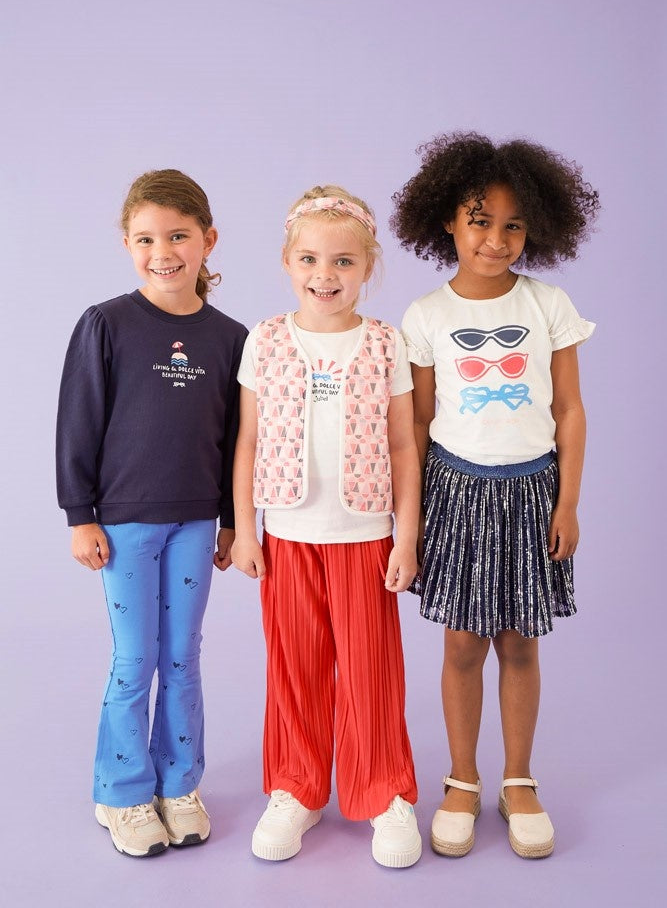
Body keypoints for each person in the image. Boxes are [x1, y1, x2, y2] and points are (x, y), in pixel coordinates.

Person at [392, 132, 599, 859]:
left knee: (518, 641)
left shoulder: (548, 304)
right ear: (447, 221)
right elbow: (418, 424)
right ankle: (461, 780)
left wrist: (567, 503)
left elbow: (569, 409)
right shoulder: (425, 315)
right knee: (461, 642)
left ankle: (517, 779)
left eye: (514, 225)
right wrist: (412, 521)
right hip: (455, 492)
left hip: (532, 491)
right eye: (480, 221)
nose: (497, 239)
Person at [56, 170, 247, 857]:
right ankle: (122, 793)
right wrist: (80, 514)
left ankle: (179, 785)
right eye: (145, 239)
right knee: (135, 659)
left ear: (208, 241)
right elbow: (78, 421)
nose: (161, 252)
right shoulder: (106, 324)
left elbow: (235, 438)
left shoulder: (230, 337)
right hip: (125, 523)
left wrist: (231, 520)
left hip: (196, 523)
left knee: (183, 658)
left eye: (177, 236)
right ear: (127, 244)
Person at [231, 185, 422, 868]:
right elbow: (247, 440)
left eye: (343, 261)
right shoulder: (264, 340)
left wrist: (406, 536)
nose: (325, 275)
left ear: (367, 266)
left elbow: (404, 445)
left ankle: (383, 791)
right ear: (287, 262)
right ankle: (296, 787)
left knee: (371, 672)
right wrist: (245, 529)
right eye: (309, 259)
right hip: (286, 534)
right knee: (295, 668)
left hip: (365, 534)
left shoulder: (385, 344)